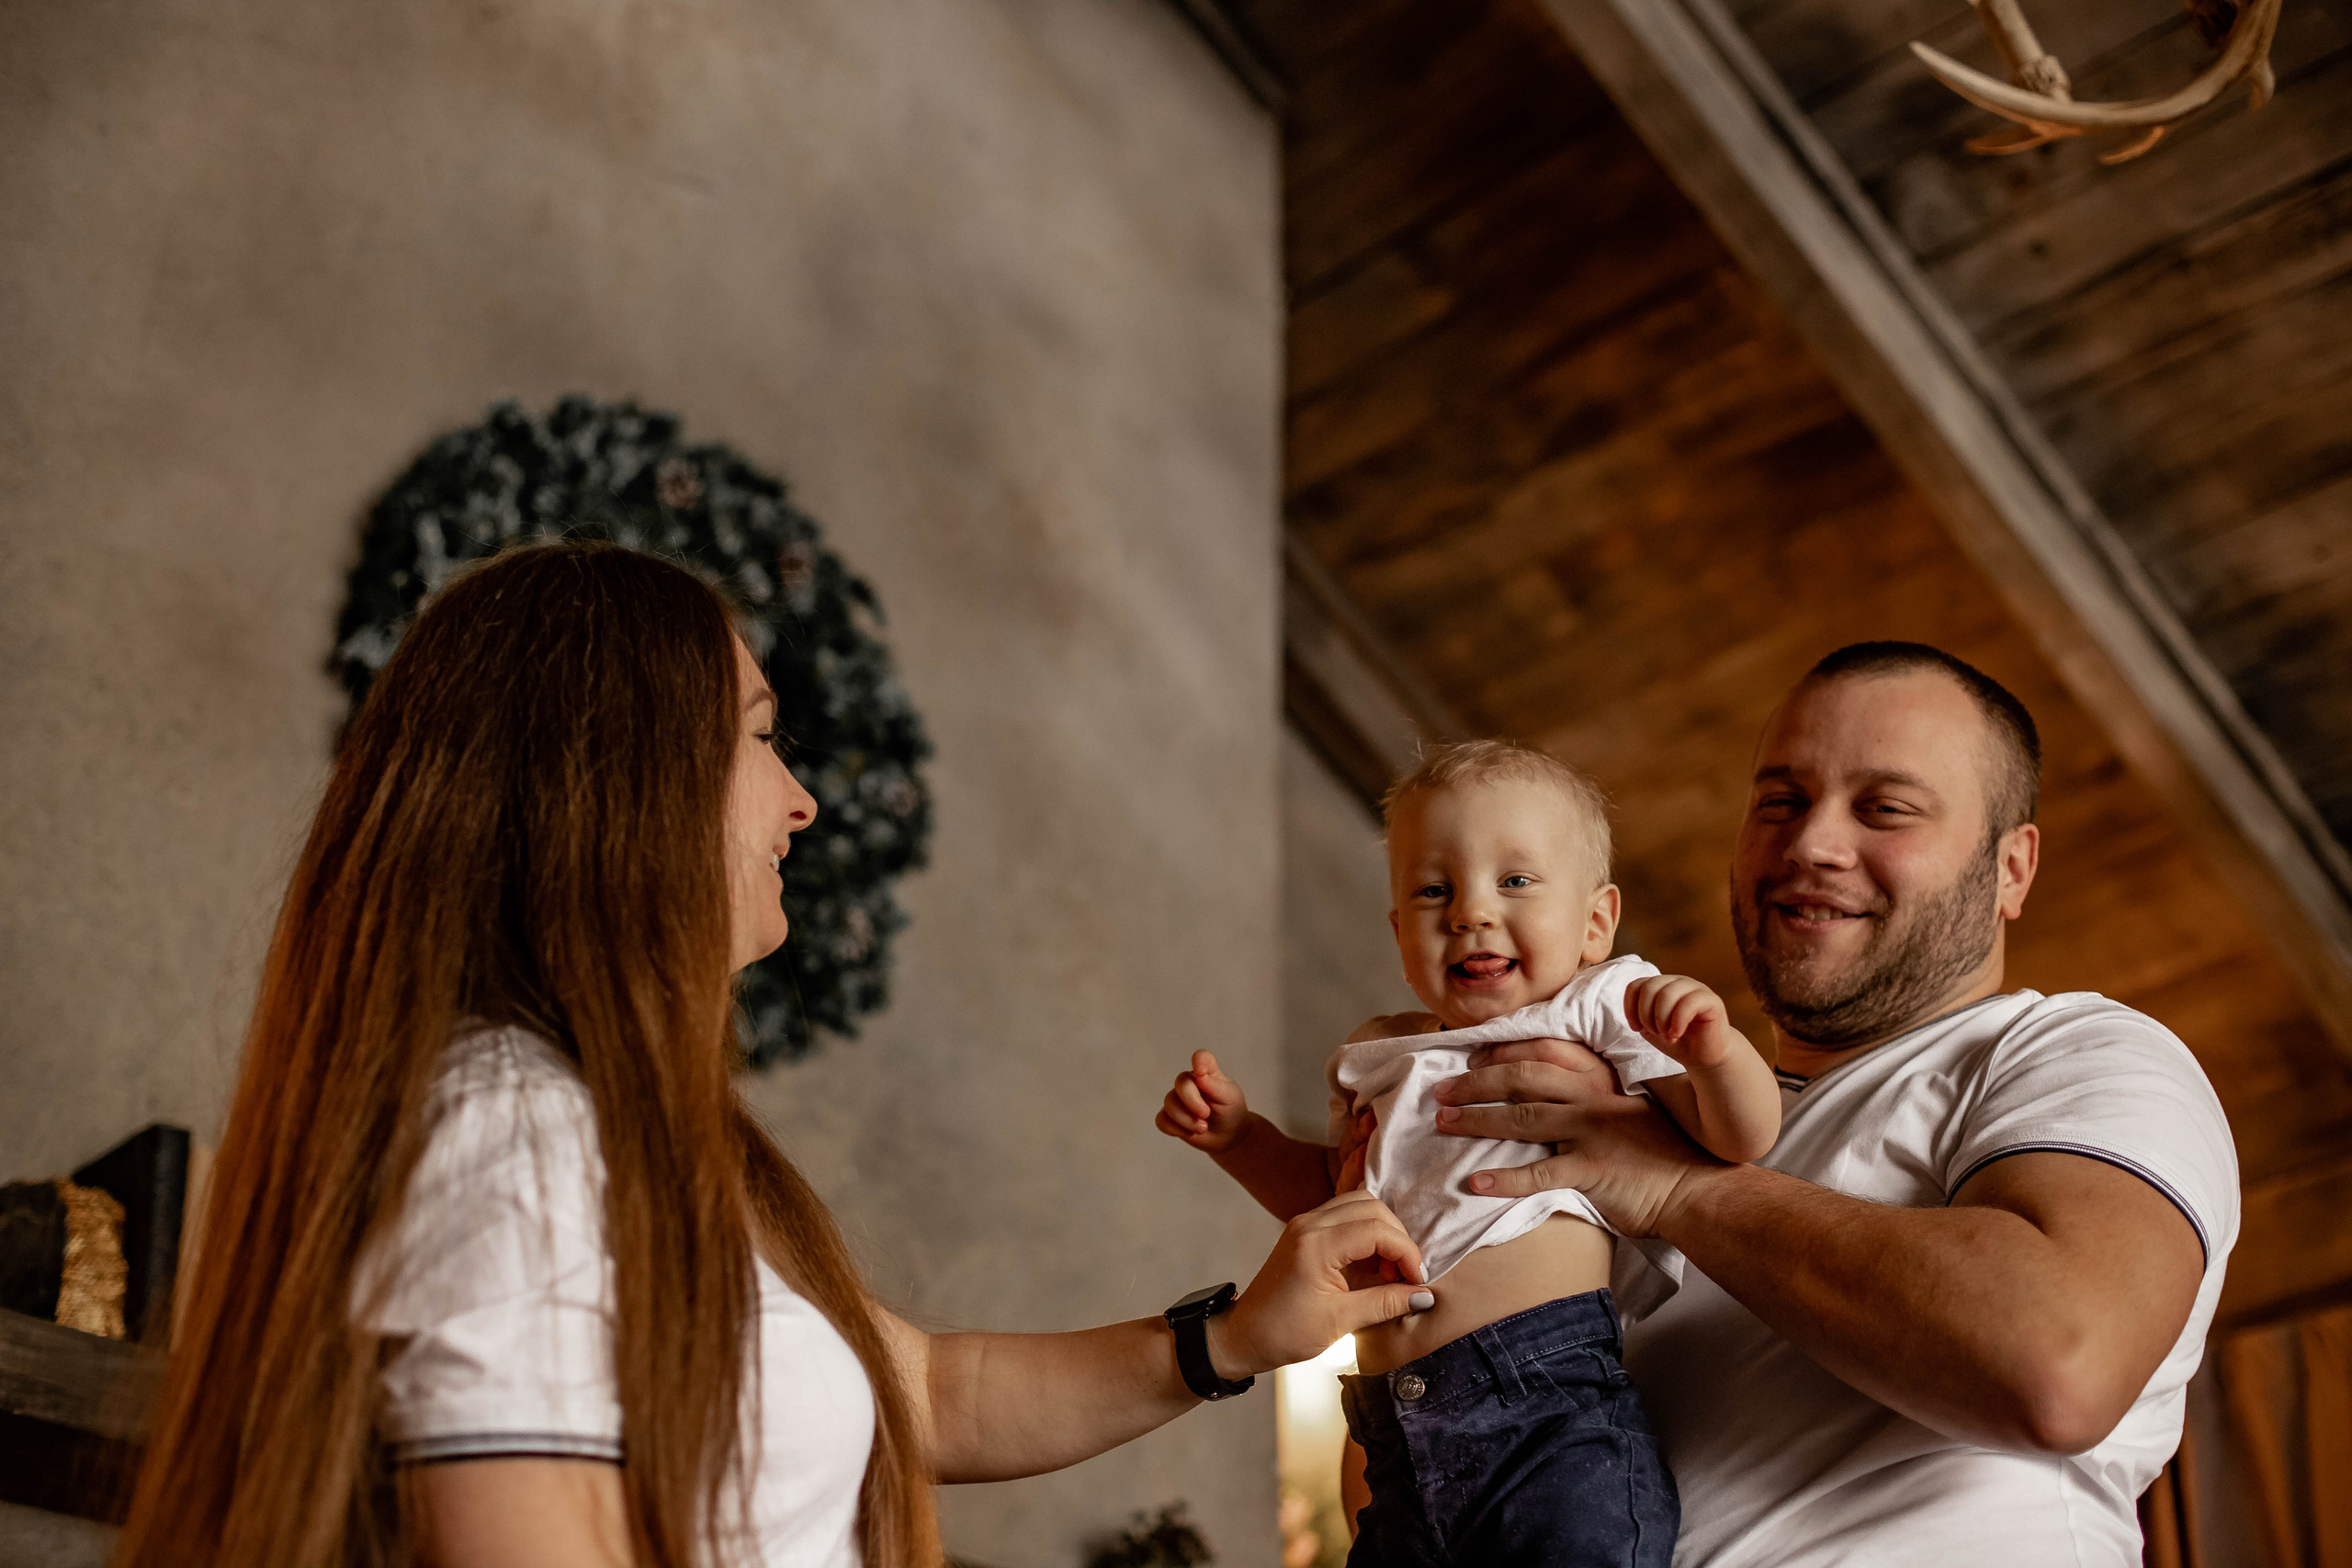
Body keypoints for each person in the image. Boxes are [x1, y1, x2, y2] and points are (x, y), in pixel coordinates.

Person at [111, 541, 1435, 1568]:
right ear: (614, 776)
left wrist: (1238, 1335)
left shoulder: (617, 1136)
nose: (799, 799)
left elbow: (931, 1392)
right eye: (757, 735)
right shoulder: (512, 1137)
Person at [1426, 642, 2238, 1567]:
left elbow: (2060, 1364)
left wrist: (1680, 1190)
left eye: (1884, 808)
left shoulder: (2075, 1053)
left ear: (2011, 868)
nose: (1811, 844)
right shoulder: (1631, 1113)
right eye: (1780, 801)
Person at [1157, 741, 1780, 1566]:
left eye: (1514, 880)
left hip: (1547, 1418)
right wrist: (1243, 1140)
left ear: (1596, 922)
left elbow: (1740, 1136)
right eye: (1433, 889)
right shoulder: (1379, 1053)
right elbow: (1333, 1206)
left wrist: (1714, 1052)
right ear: (1398, 930)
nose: (1470, 912)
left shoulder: (1598, 1007)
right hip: (1395, 1441)